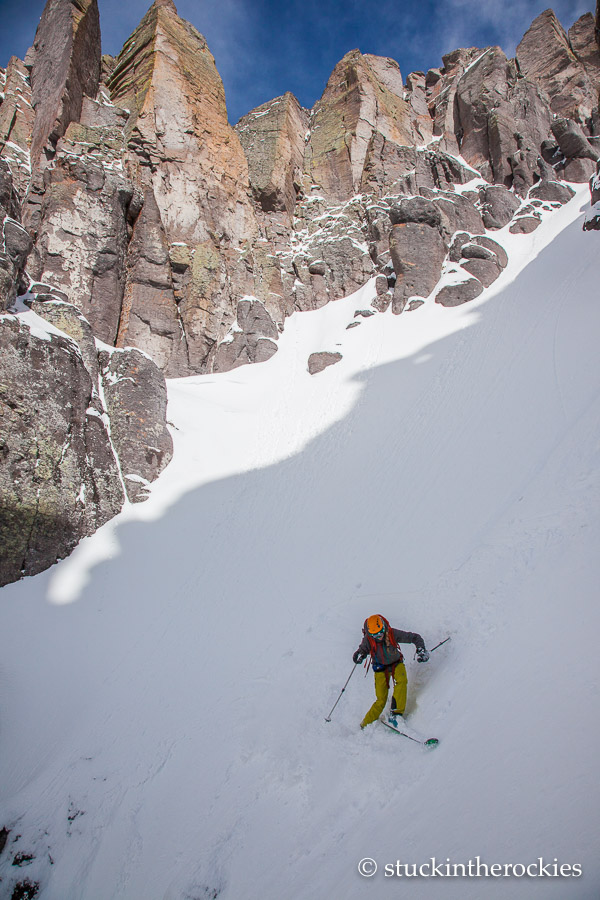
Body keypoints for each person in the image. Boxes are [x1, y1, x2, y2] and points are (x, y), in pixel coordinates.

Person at [353, 614, 429, 729]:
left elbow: (415, 637)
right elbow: (362, 650)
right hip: (380, 669)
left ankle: (396, 713)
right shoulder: (368, 639)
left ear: (384, 627)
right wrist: (359, 655)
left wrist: (421, 650)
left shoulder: (392, 633)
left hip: (396, 664)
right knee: (381, 700)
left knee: (401, 682)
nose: (379, 637)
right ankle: (365, 724)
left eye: (380, 633)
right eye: (375, 635)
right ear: (370, 634)